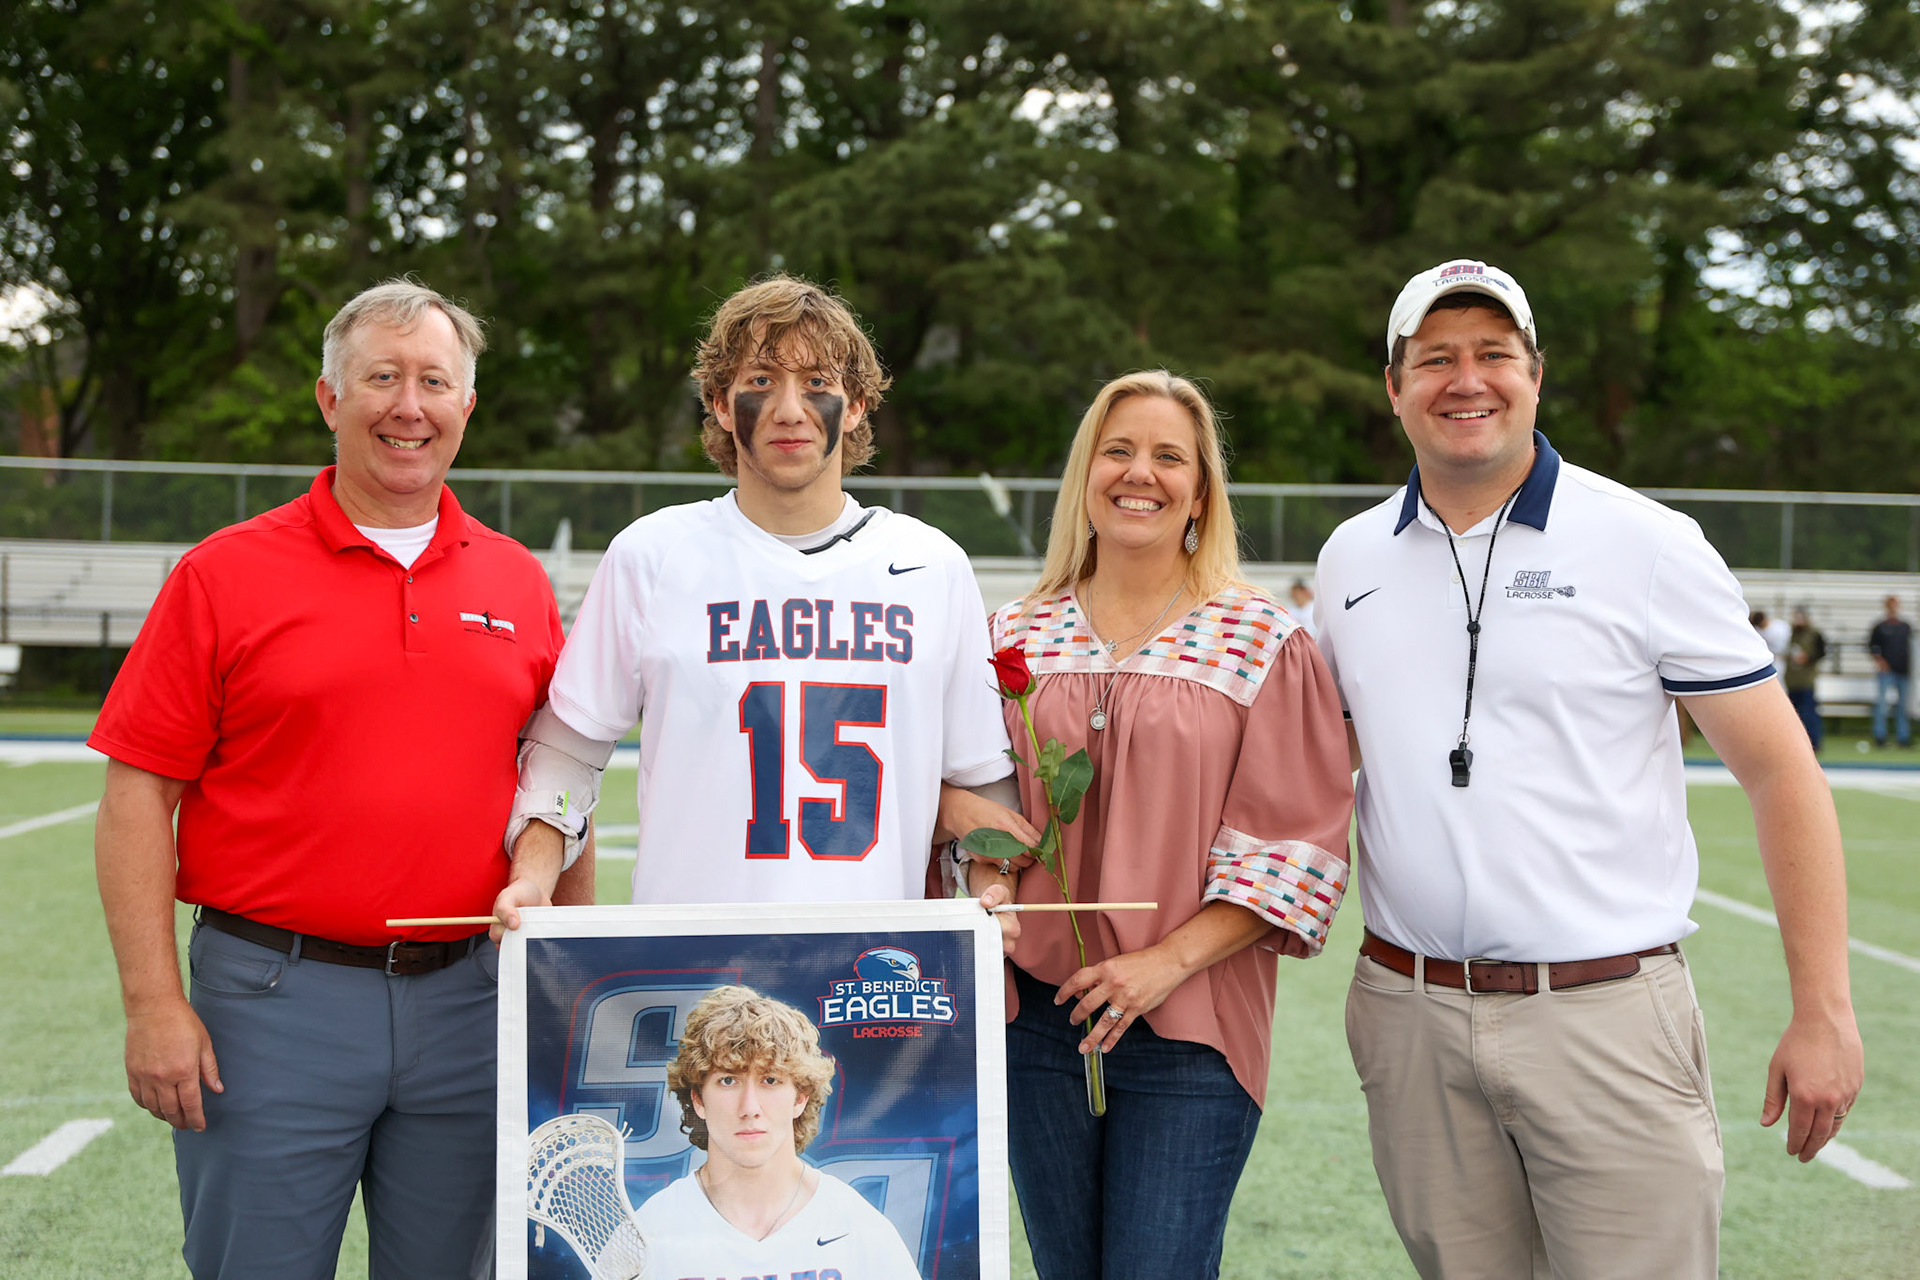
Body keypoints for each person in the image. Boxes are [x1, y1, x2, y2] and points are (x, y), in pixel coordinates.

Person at [1314, 259, 1863, 1279]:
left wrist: (1823, 1009)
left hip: (1605, 1013)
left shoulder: (1648, 541)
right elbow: (1318, 766)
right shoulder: (1350, 559)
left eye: (1493, 354)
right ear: (1393, 386)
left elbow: (1783, 772)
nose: (1464, 379)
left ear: (1536, 374)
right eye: (1434, 357)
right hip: (1409, 1011)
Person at [90, 279, 590, 1278]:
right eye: (383, 377)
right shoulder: (222, 573)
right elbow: (138, 795)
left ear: (465, 409)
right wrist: (152, 1002)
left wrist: (568, 994)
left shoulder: (516, 580)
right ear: (330, 398)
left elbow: (562, 786)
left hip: (471, 1002)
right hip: (273, 1001)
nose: (409, 406)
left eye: (434, 382)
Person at [506, 275, 1036, 923]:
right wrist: (532, 874)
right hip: (690, 964)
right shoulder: (653, 555)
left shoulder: (932, 566)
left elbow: (982, 779)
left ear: (860, 405)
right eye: (760, 381)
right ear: (720, 404)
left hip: (869, 973)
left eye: (817, 383)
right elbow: (568, 750)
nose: (790, 409)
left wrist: (993, 893)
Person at [978, 371, 1354, 1280]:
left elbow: (1294, 848)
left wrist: (1162, 964)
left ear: (1200, 489)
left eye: (1168, 456)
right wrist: (983, 872)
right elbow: (975, 806)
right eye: (1118, 450)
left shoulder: (1262, 639)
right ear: (1085, 475)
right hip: (1036, 1018)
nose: (1139, 473)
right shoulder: (1013, 635)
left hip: (1193, 1023)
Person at [637, 985, 922, 1279]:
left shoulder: (857, 1228)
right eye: (727, 1081)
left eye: (770, 1080)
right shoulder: (650, 1233)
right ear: (698, 1099)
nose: (749, 1107)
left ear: (800, 1097)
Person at [1867, 594, 1912, 748]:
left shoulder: (1905, 626)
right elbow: (1873, 648)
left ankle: (1903, 737)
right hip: (1886, 672)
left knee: (1903, 706)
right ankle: (1880, 736)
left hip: (1902, 671)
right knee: (1882, 705)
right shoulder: (1880, 627)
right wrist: (1881, 662)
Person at [1785, 606, 1827, 750]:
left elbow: (1821, 653)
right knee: (1793, 714)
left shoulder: (1814, 633)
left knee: (1809, 712)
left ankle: (1814, 742)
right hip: (1792, 679)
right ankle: (1797, 743)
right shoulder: (1791, 633)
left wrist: (1808, 659)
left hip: (1806, 680)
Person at [1751, 608, 1791, 683]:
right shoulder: (1757, 631)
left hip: (1783, 658)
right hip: (1769, 659)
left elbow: (1790, 640)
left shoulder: (1781, 626)